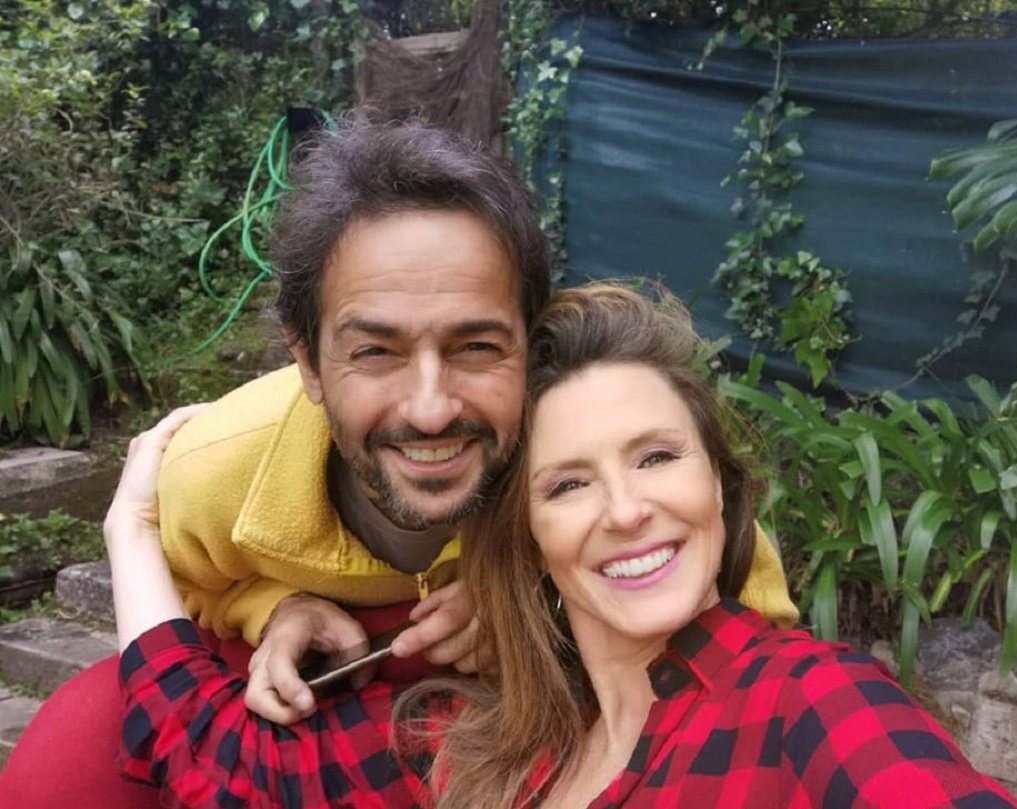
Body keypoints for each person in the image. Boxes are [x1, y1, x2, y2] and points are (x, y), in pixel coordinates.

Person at [0, 118, 796, 806]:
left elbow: (741, 623)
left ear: (531, 342)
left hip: (540, 702)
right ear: (308, 361)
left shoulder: (597, 444)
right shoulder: (213, 471)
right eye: (375, 351)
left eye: (476, 346)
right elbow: (192, 592)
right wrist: (273, 605)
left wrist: (534, 603)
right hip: (336, 698)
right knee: (74, 749)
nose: (431, 408)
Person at [112, 282, 1017, 808]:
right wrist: (134, 536)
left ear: (718, 481)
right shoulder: (485, 740)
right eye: (568, 484)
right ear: (527, 538)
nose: (625, 511)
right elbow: (230, 767)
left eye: (656, 457)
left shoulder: (807, 702)